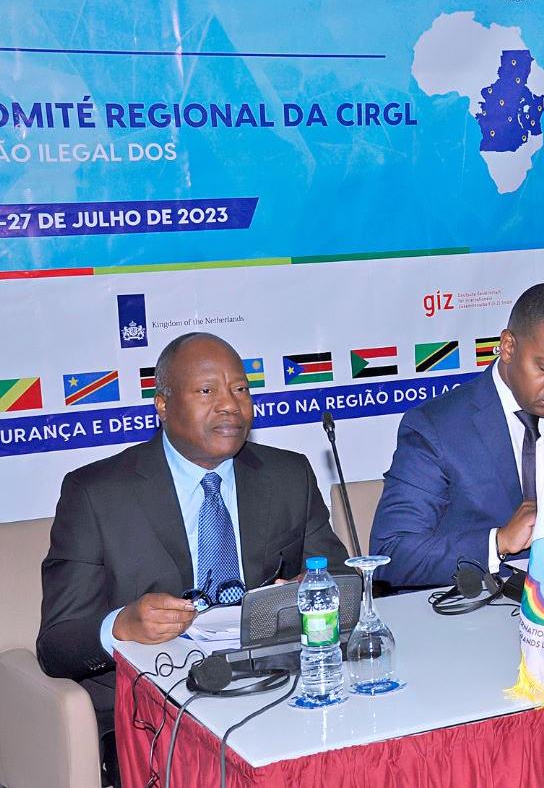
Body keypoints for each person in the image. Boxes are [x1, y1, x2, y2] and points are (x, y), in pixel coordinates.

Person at [37, 332, 350, 784]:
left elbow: (338, 579)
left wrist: (308, 593)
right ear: (162, 405)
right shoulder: (96, 494)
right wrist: (120, 626)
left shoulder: (288, 475)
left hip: (280, 696)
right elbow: (57, 644)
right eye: (207, 391)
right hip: (153, 718)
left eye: (240, 389)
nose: (229, 405)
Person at [370, 283, 544, 589]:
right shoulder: (436, 428)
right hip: (475, 609)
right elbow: (390, 554)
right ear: (509, 347)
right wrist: (497, 542)